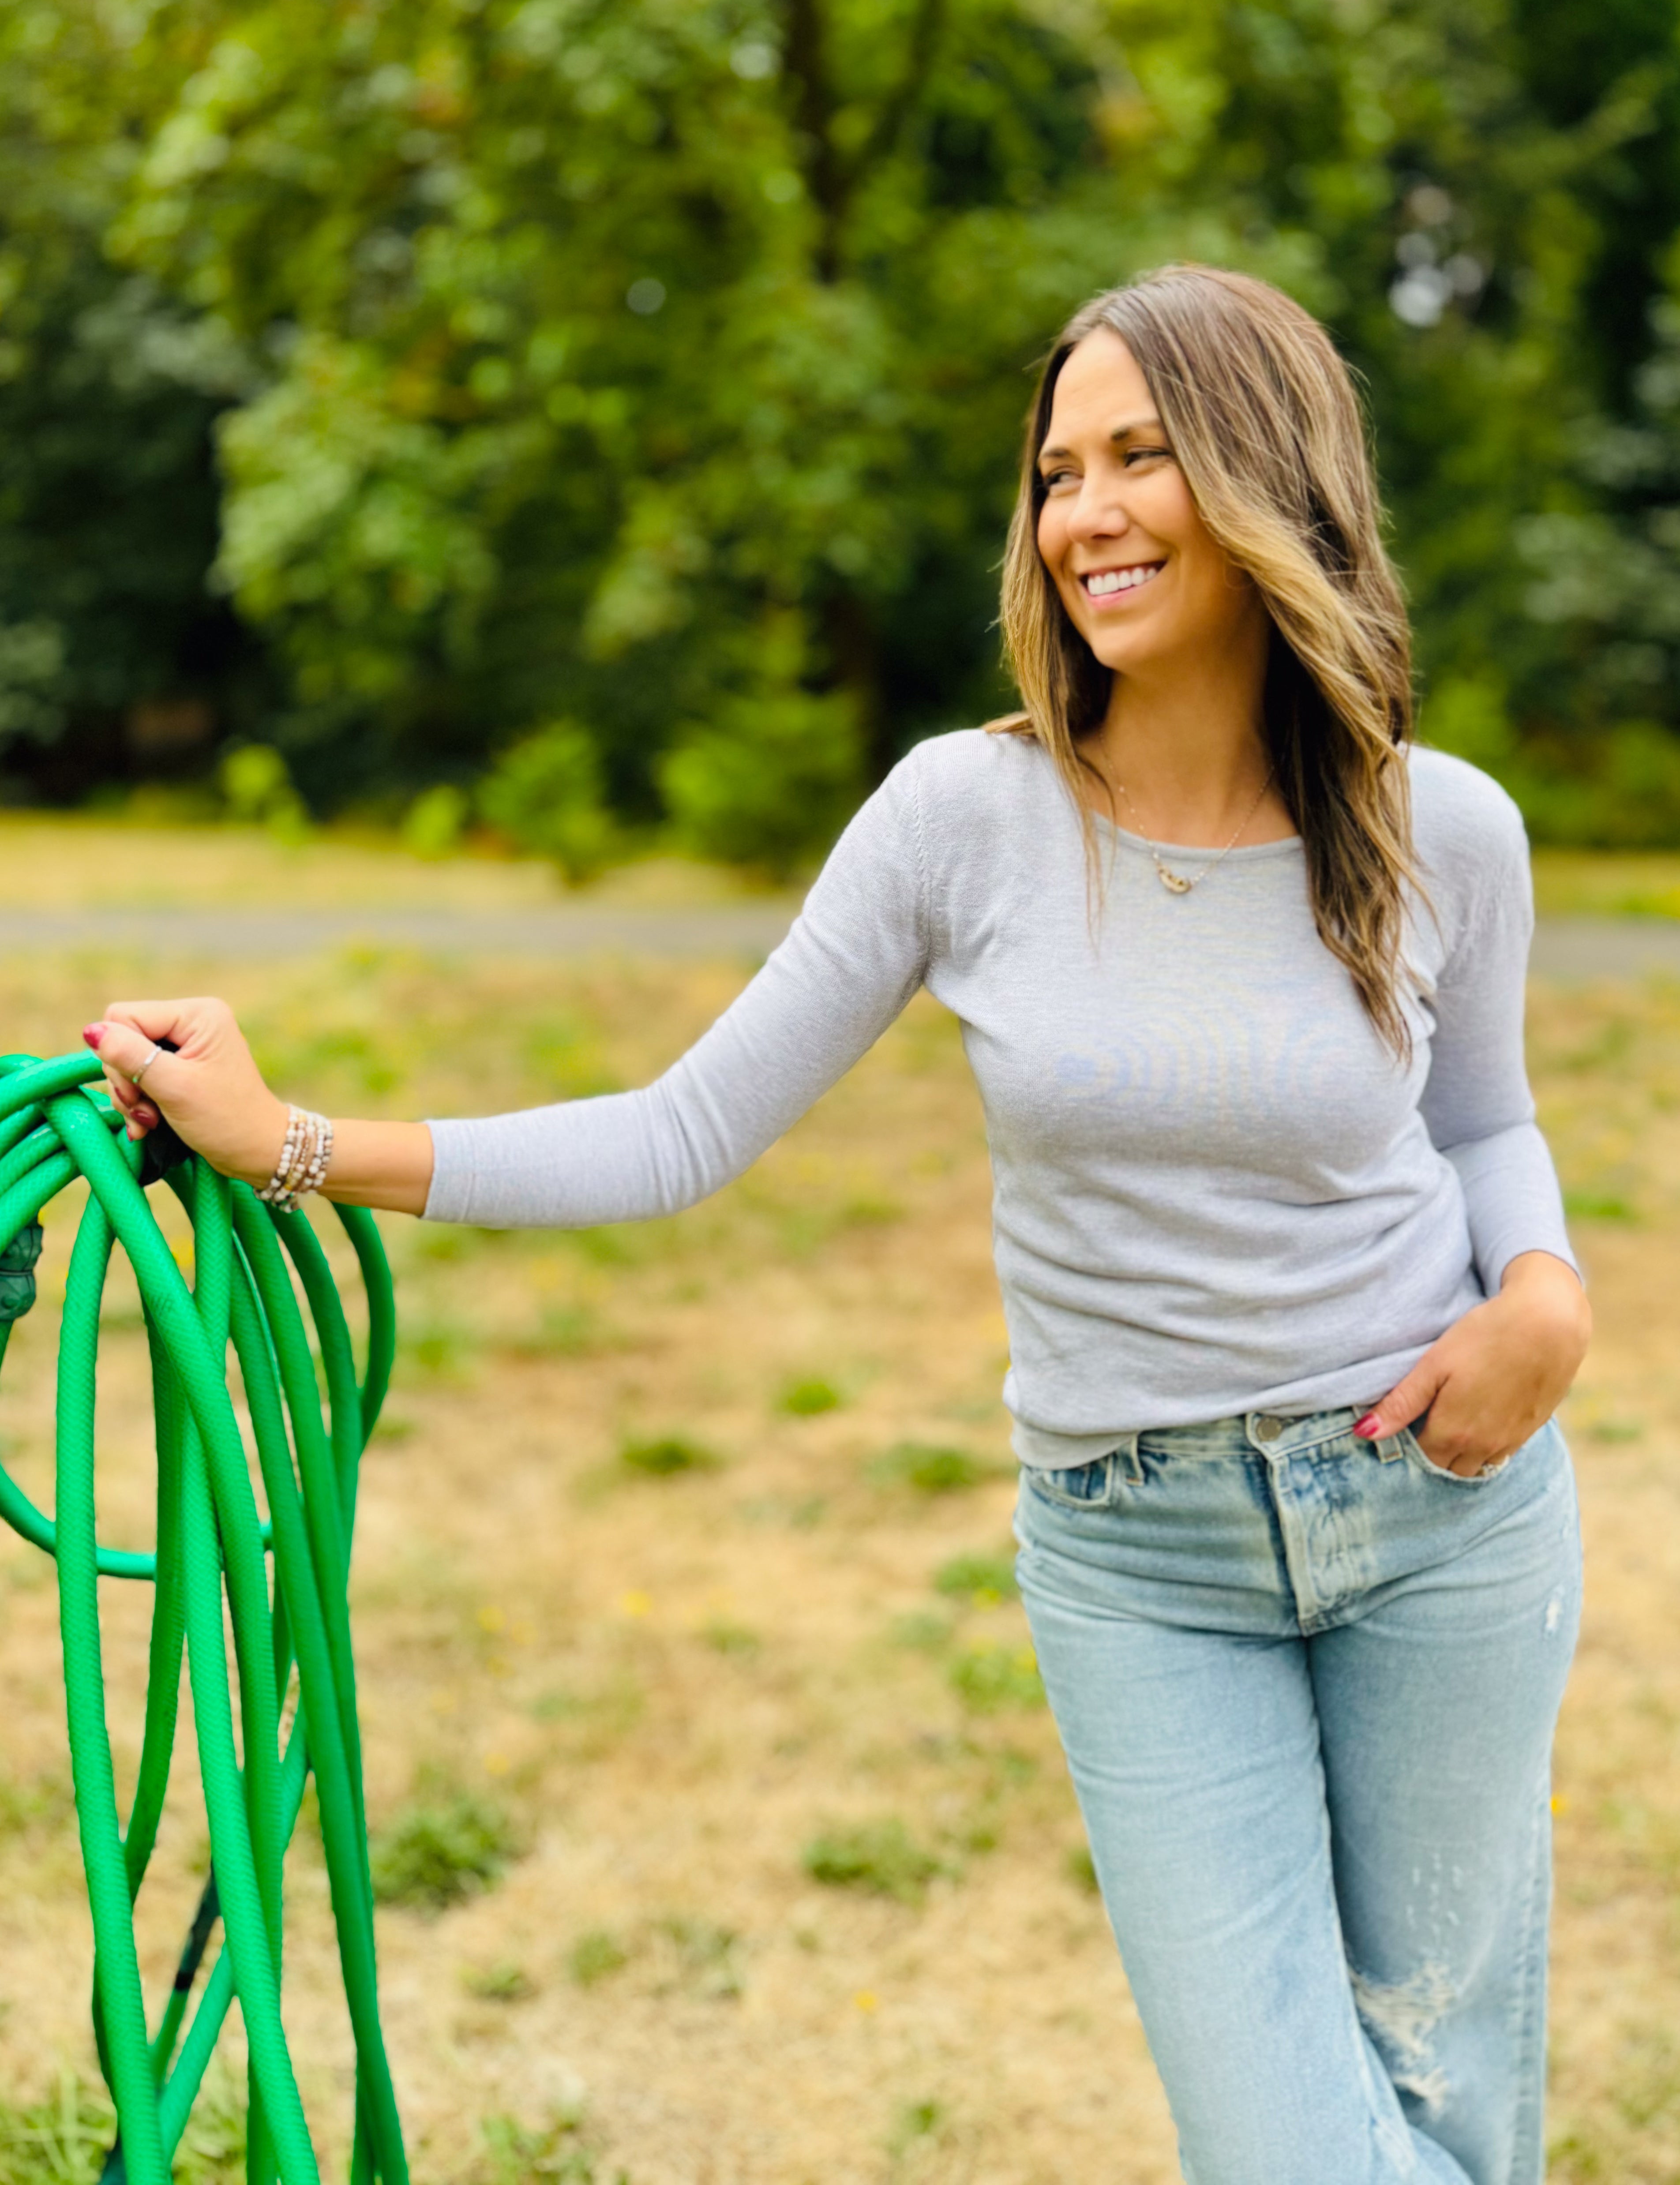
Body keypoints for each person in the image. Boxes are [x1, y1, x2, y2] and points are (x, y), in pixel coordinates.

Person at [86, 265, 1590, 2185]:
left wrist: (1543, 1287)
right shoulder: (964, 819)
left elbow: (1485, 1121)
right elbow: (677, 1131)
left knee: (1456, 2104)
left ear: (1266, 476)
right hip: (1143, 1558)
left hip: (1441, 1511)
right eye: (1058, 471)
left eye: (1141, 456)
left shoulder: (1438, 824)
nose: (1085, 515)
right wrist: (288, 1140)